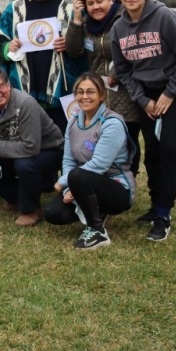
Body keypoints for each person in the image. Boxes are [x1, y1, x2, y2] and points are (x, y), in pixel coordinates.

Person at [111, 0, 176, 243]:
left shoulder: (164, 16)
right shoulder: (118, 28)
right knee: (152, 152)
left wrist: (170, 94)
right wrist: (143, 99)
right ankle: (155, 205)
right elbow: (124, 70)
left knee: (169, 148)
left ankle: (164, 213)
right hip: (147, 95)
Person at [0, 0, 83, 133]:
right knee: (28, 142)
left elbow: (91, 38)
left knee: (64, 141)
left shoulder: (72, 3)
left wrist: (71, 43)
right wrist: (8, 47)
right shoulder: (16, 6)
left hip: (63, 91)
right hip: (24, 91)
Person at [0, 66, 65, 226]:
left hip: (50, 150)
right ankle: (19, 198)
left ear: (8, 85)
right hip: (16, 149)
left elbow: (31, 147)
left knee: (24, 163)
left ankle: (31, 210)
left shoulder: (25, 103)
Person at [44, 73, 136, 250]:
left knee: (79, 175)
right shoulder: (72, 122)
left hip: (117, 187)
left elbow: (99, 165)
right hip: (81, 182)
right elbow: (68, 160)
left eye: (90, 92)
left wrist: (66, 182)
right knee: (53, 214)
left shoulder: (112, 123)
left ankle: (97, 231)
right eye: (80, 92)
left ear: (101, 95)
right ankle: (97, 209)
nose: (84, 97)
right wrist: (71, 186)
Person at [64, 0, 141, 174]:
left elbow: (133, 48)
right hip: (99, 90)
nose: (95, 7)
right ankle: (100, 175)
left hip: (125, 88)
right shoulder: (88, 25)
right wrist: (77, 20)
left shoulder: (125, 19)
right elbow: (73, 49)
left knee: (127, 135)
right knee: (99, 135)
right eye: (90, 4)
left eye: (100, 1)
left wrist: (116, 73)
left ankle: (125, 178)